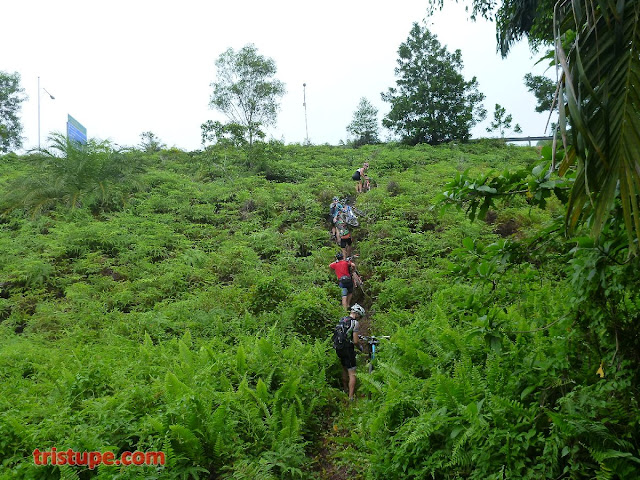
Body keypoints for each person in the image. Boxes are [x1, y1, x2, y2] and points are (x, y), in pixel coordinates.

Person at [333, 304, 365, 401]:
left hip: (339, 348)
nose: (359, 319)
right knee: (352, 373)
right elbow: (355, 341)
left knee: (344, 368)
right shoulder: (355, 323)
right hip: (348, 349)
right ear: (357, 314)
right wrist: (360, 347)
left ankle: (345, 389)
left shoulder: (342, 320)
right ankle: (350, 397)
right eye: (360, 316)